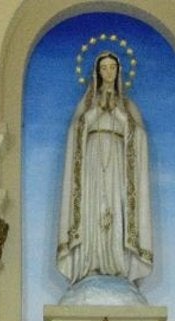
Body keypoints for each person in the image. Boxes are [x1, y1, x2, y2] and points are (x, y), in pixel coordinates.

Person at [57, 51, 153, 287]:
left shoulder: (128, 105)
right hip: (92, 164)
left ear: (118, 71)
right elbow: (75, 131)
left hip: (119, 166)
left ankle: (118, 265)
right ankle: (91, 263)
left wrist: (118, 114)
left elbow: (139, 135)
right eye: (104, 68)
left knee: (117, 208)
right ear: (97, 73)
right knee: (91, 209)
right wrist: (97, 110)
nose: (108, 72)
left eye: (112, 68)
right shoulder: (88, 102)